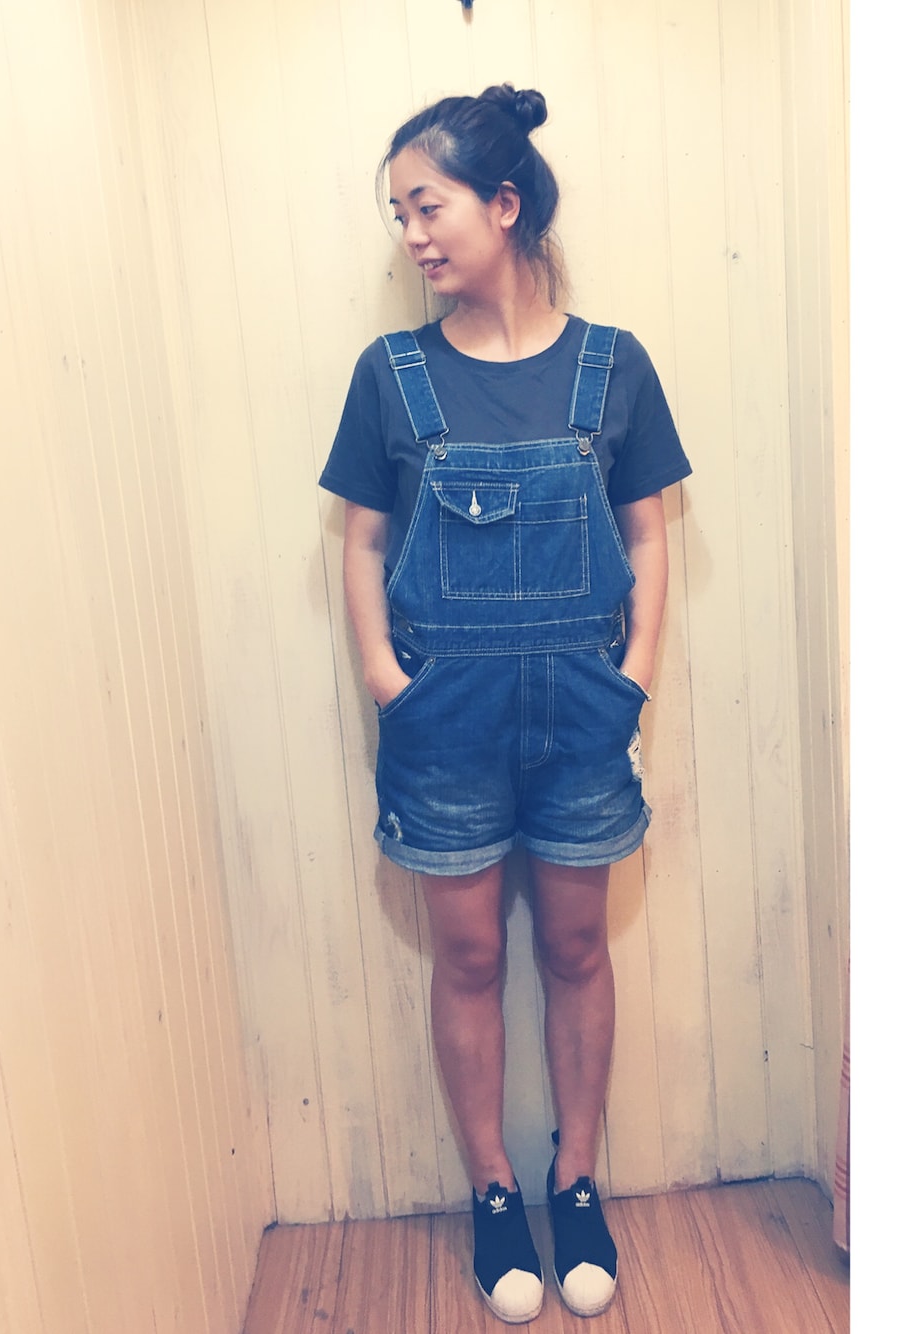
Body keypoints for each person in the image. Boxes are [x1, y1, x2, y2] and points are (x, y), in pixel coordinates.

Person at [319, 84, 691, 1324]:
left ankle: (574, 1179)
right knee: (470, 955)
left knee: (577, 948)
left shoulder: (611, 364)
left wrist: (634, 675)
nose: (411, 236)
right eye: (398, 216)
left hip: (582, 714)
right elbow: (360, 542)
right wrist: (387, 678)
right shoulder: (392, 374)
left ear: (505, 203)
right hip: (444, 721)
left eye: (426, 206)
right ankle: (492, 1189)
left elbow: (650, 533)